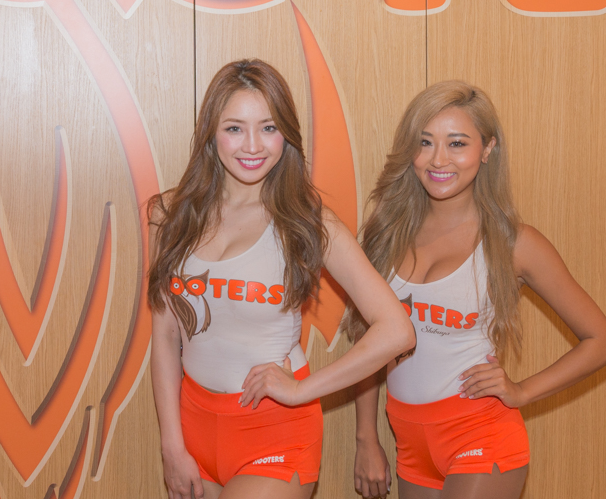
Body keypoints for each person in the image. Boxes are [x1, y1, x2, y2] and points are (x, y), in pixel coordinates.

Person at [149, 59, 416, 499]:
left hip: (275, 432)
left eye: (268, 128)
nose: (252, 145)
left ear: (286, 134)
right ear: (211, 133)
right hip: (194, 427)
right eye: (234, 128)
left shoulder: (307, 222)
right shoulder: (169, 214)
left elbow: (396, 330)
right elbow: (164, 336)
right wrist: (171, 446)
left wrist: (302, 389)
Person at [349, 81, 606, 499]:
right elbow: (368, 344)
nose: (439, 159)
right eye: (425, 142)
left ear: (487, 149)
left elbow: (603, 341)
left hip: (480, 433)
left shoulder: (514, 243)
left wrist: (522, 391)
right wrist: (366, 437)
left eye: (457, 143)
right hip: (409, 439)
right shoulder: (386, 234)